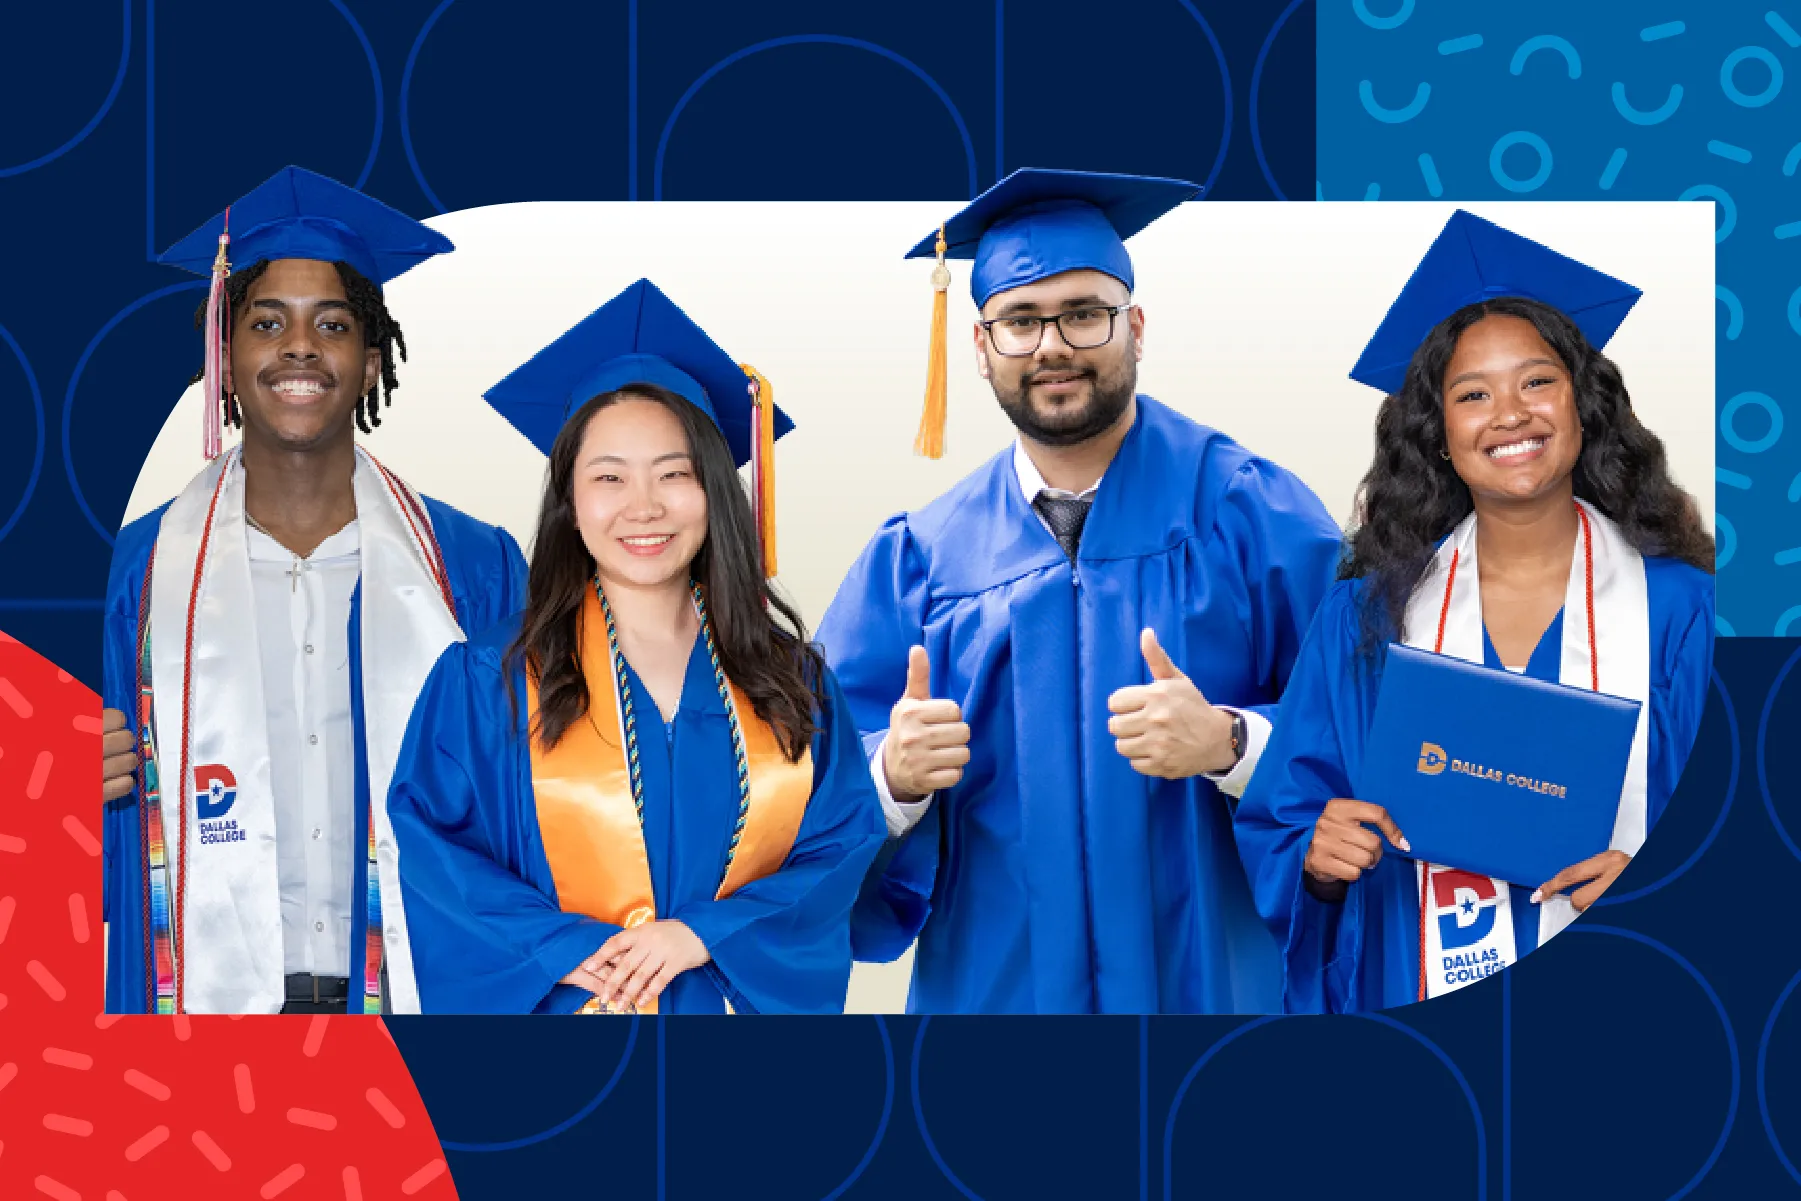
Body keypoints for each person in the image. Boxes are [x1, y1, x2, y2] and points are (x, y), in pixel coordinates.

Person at [817, 169, 1345, 1014]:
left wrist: (1231, 742)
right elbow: (799, 778)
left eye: (1083, 314)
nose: (1052, 345)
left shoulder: (1252, 513)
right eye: (1020, 321)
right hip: (994, 999)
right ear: (981, 347)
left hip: (1215, 987)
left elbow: (1374, 723)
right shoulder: (918, 561)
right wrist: (892, 777)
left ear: (1134, 326)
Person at [1233, 209, 1716, 1012]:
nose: (1510, 413)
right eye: (1471, 394)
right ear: (1438, 434)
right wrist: (1313, 857)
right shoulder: (1361, 625)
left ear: (1581, 405)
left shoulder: (1683, 613)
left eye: (1536, 381)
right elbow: (1286, 817)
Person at [386, 279, 886, 1015]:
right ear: (571, 501)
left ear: (715, 491)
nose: (643, 506)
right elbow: (435, 853)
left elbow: (839, 849)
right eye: (609, 477)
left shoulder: (793, 682)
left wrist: (701, 934)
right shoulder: (486, 682)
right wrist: (565, 947)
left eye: (674, 474)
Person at [100, 167, 528, 1015]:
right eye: (266, 323)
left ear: (371, 362)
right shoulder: (135, 574)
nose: (300, 347)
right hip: (195, 995)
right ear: (224, 358)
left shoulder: (470, 567)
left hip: (423, 992)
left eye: (331, 324)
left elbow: (533, 801)